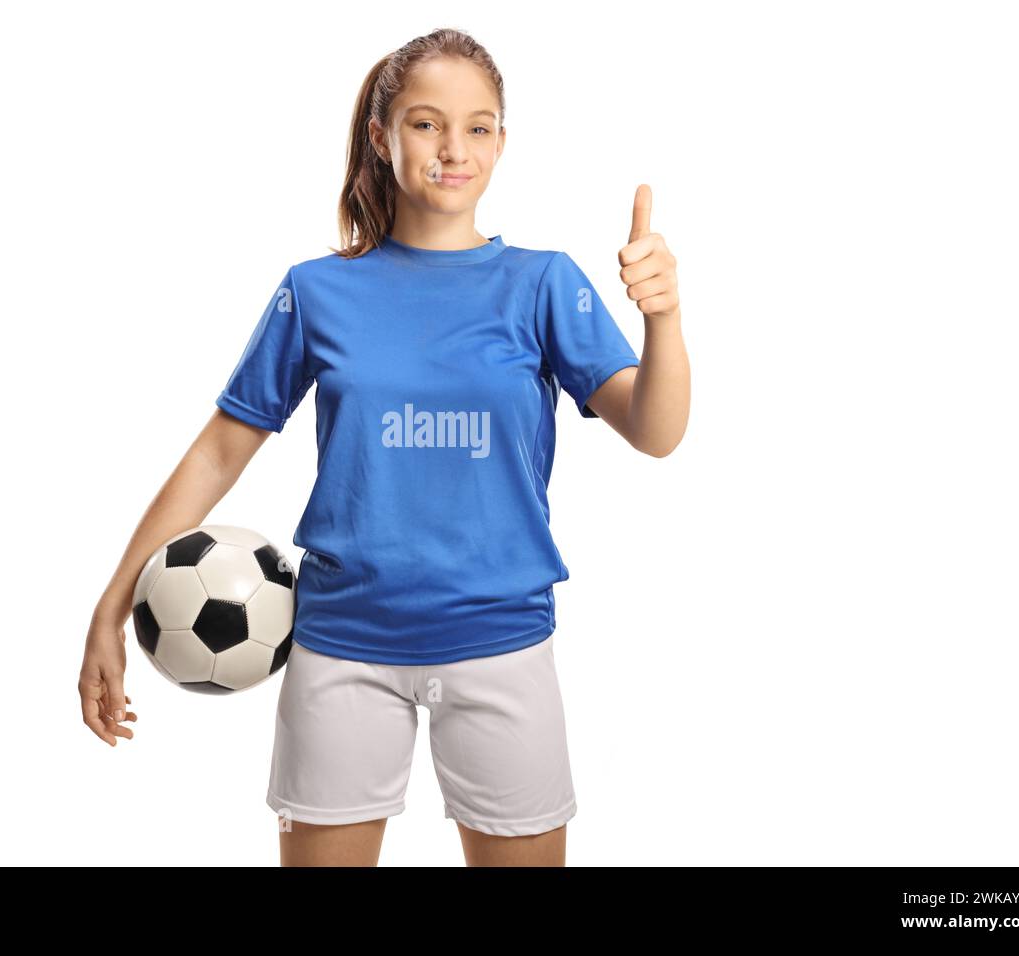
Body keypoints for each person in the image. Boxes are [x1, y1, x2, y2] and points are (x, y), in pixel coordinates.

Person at [78, 27, 690, 867]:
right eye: (426, 123)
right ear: (382, 133)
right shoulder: (317, 291)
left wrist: (664, 319)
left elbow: (656, 432)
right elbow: (220, 451)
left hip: (502, 640)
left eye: (478, 127)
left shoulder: (543, 284)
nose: (453, 148)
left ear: (502, 143)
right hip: (343, 647)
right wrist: (112, 606)